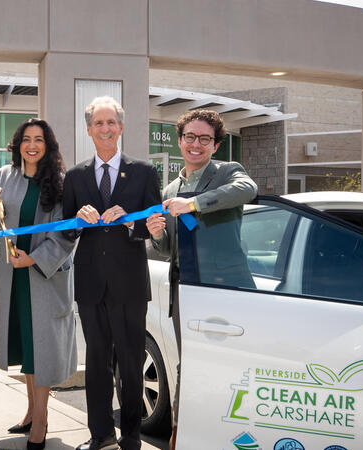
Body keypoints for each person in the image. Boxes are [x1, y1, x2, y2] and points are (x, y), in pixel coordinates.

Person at [144, 109, 256, 448]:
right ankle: (186, 432)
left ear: (216, 145)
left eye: (204, 139)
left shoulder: (226, 173)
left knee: (237, 366)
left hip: (228, 287)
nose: (196, 144)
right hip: (187, 290)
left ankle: (236, 434)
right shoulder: (169, 189)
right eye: (190, 137)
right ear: (179, 141)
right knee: (190, 365)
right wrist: (157, 234)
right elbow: (167, 251)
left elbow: (247, 189)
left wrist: (194, 204)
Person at [62, 97, 160, 450]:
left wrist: (131, 222)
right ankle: (100, 434)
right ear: (88, 130)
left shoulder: (144, 172)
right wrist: (78, 221)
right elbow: (65, 232)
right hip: (90, 286)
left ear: (120, 127)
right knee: (97, 364)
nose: (105, 128)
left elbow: (152, 226)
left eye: (111, 122)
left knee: (131, 363)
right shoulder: (74, 176)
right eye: (98, 123)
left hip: (130, 285)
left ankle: (131, 434)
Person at [0, 119, 77, 450]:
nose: (32, 145)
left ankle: (42, 422)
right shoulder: (5, 176)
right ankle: (32, 412)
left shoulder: (61, 184)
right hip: (13, 277)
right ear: (17, 144)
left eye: (39, 140)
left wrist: (34, 259)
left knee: (42, 351)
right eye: (26, 139)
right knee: (26, 349)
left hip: (43, 278)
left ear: (48, 146)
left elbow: (66, 234)